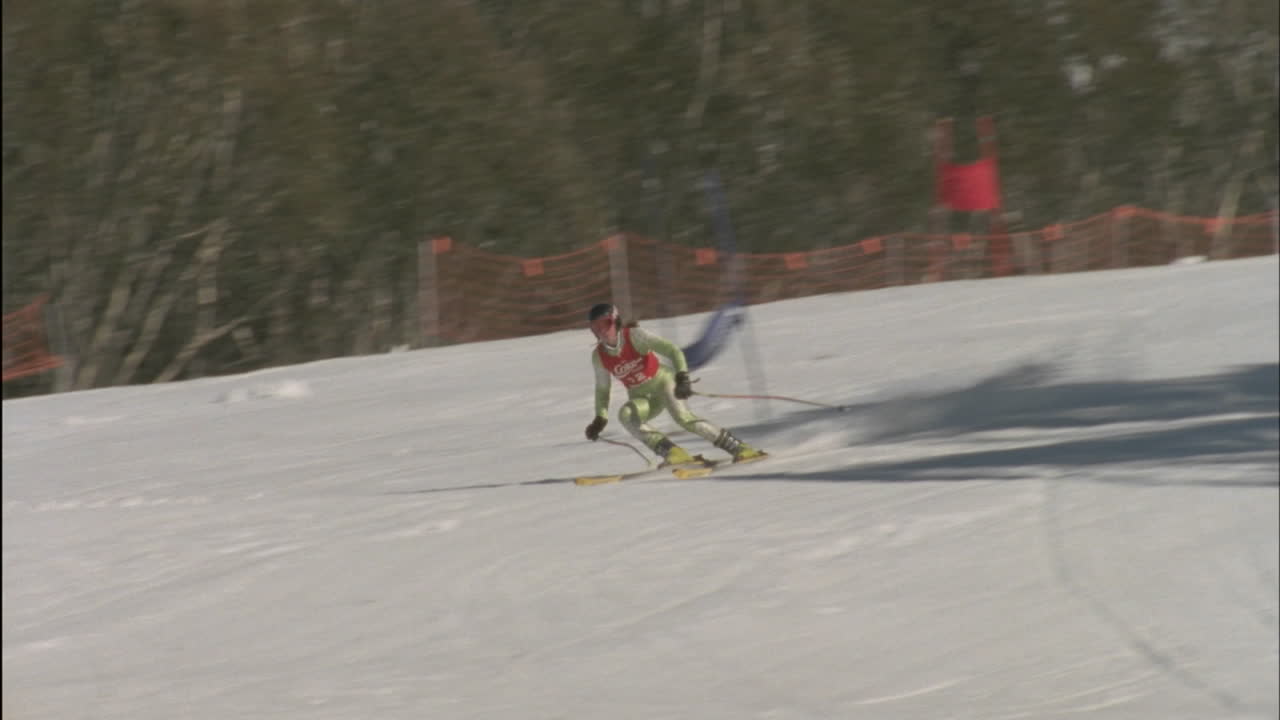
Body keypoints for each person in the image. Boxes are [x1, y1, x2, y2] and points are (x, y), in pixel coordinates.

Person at [583, 302, 765, 466]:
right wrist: (600, 418)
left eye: (605, 324)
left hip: (664, 383)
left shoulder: (635, 336)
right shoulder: (599, 357)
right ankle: (673, 453)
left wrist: (682, 377)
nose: (602, 331)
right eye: (596, 327)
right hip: (642, 397)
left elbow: (673, 350)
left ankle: (739, 448)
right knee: (626, 415)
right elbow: (602, 389)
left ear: (616, 322)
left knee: (683, 418)